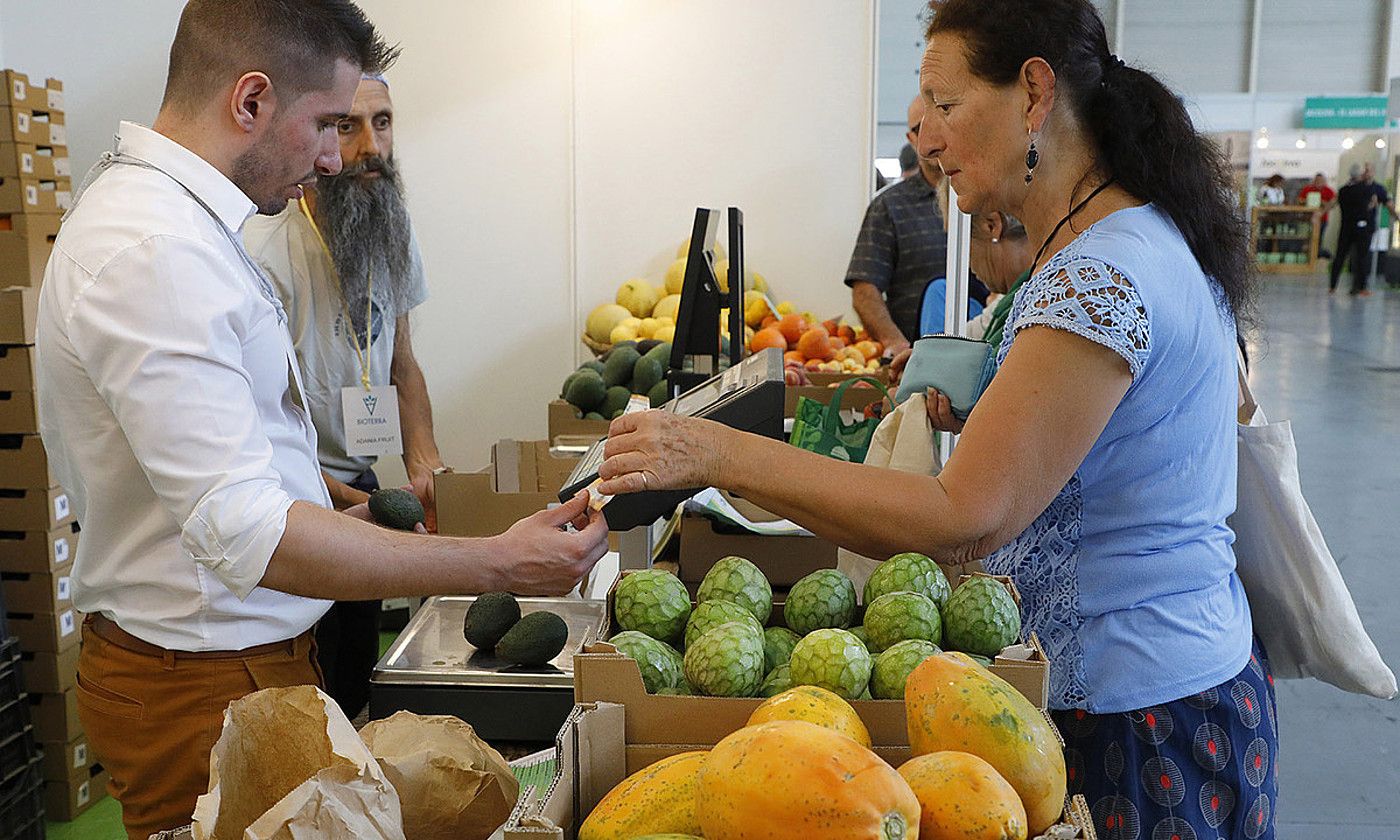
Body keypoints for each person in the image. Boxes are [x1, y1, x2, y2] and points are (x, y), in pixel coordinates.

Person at [598, 1, 1273, 836]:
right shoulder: (1119, 241)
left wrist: (717, 453)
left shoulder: (1102, 275)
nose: (929, 139)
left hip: (1136, 717)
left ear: (1034, 94)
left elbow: (963, 519)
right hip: (1168, 684)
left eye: (946, 105)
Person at [34, 3, 606, 837]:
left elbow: (226, 458)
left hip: (238, 666)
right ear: (252, 101)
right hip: (200, 684)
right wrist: (494, 562)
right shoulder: (154, 254)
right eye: (329, 123)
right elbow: (250, 534)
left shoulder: (192, 226)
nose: (339, 156)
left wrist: (339, 502)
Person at [243, 75, 439, 720]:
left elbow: (403, 368)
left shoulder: (392, 227)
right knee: (306, 700)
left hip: (362, 480)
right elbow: (260, 433)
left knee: (357, 680)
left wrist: (425, 466)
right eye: (347, 126)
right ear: (319, 136)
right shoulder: (266, 252)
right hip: (292, 499)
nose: (368, 146)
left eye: (382, 123)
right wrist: (369, 508)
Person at [847, 95, 988, 355]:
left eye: (944, 120)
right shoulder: (888, 206)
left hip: (988, 355)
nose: (933, 136)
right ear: (911, 139)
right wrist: (897, 346)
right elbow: (865, 289)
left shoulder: (988, 196)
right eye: (921, 127)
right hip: (914, 362)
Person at [964, 210, 1033, 349]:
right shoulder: (1004, 305)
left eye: (962, 241)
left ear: (992, 226)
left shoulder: (1035, 300)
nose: (967, 265)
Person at [1331, 162, 1395, 296]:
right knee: (1360, 256)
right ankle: (1358, 286)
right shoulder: (1366, 190)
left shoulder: (1344, 190)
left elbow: (1336, 201)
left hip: (1349, 227)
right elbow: (1370, 205)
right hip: (1362, 227)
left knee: (1345, 255)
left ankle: (1336, 286)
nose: (1366, 173)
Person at [1297, 171, 1336, 257]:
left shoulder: (1328, 191)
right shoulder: (1308, 189)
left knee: (1318, 240)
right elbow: (1300, 200)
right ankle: (1305, 256)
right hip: (1307, 220)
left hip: (1322, 220)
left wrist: (1323, 204)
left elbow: (1333, 203)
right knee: (1306, 238)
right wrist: (1308, 201)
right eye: (1317, 180)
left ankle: (1315, 257)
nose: (1319, 183)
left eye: (1321, 181)